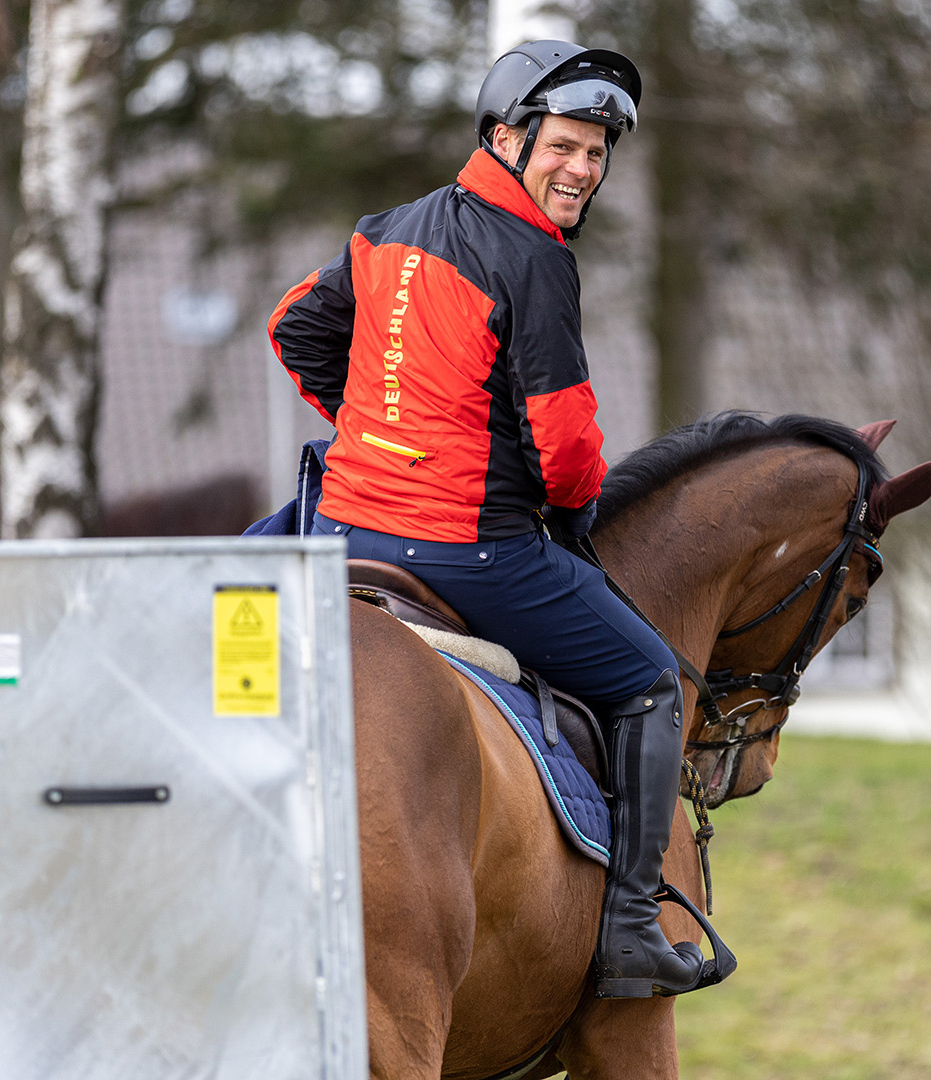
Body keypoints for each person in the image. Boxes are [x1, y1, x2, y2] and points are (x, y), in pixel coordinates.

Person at [266, 40, 725, 998]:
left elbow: (295, 328)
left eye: (598, 154)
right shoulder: (537, 261)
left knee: (190, 609)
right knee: (647, 681)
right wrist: (575, 506)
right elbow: (564, 451)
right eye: (566, 145)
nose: (583, 169)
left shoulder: (385, 228)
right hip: (469, 553)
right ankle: (632, 933)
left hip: (336, 531)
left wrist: (373, 426)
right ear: (508, 137)